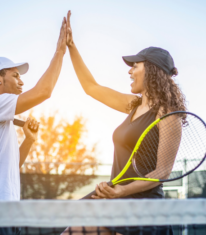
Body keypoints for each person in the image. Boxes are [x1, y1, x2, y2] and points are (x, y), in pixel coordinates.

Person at [64, 11, 186, 235]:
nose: (129, 71)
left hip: (143, 209)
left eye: (135, 65)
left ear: (150, 70)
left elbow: (162, 172)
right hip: (117, 199)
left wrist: (122, 191)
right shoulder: (133, 105)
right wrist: (71, 46)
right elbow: (91, 87)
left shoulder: (168, 114)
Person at [0, 17, 67, 202]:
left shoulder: (0, 119)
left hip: (7, 212)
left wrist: (29, 140)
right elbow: (44, 91)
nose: (21, 81)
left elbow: (11, 167)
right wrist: (60, 51)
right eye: (15, 75)